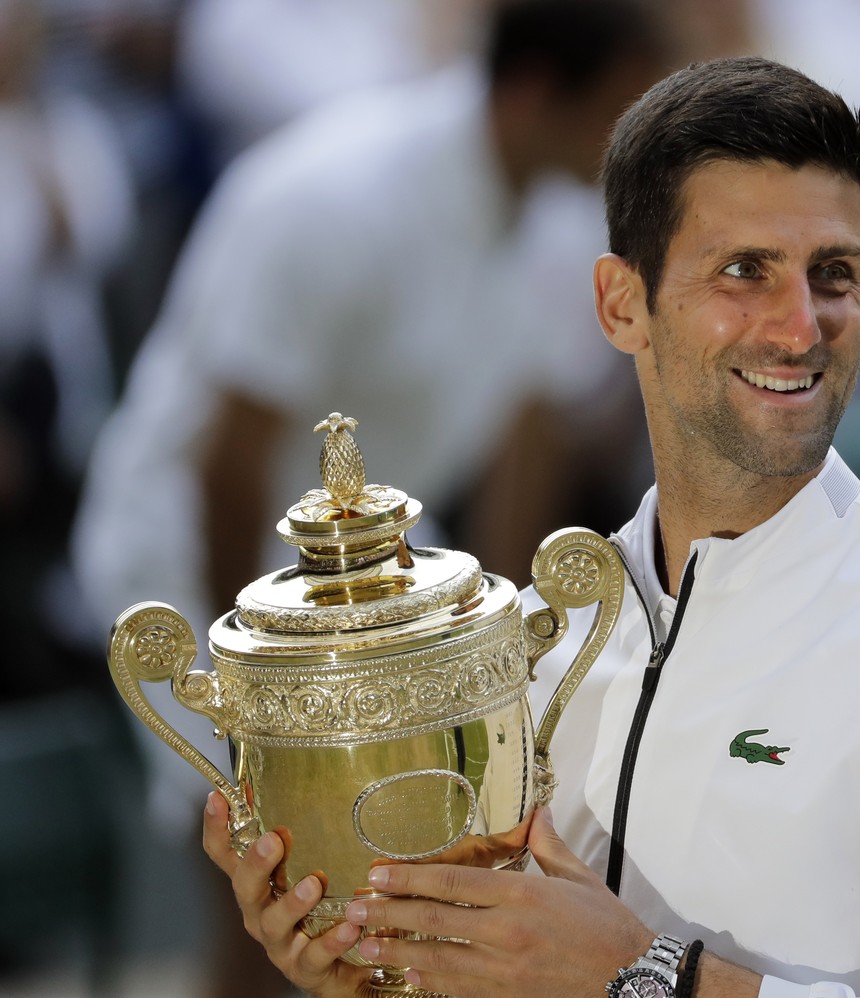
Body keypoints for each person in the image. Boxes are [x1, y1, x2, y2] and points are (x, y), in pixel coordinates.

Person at [204, 56, 860, 997]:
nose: (800, 325)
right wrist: (368, 967)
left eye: (834, 275)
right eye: (745, 272)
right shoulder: (529, 643)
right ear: (620, 303)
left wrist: (653, 981)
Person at [75, 2, 666, 994]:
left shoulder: (564, 214)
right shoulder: (332, 193)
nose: (634, 146)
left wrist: (499, 664)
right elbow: (224, 462)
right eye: (618, 111)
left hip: (384, 579)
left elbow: (531, 436)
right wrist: (254, 711)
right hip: (187, 569)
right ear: (533, 96)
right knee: (268, 888)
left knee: (420, 903)